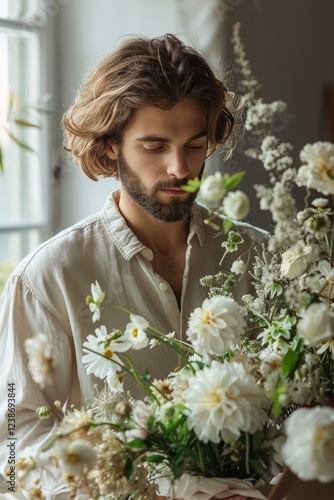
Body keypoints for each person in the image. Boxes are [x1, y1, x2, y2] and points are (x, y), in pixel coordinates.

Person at [0, 34, 264, 498]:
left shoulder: (258, 258)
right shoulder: (48, 277)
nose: (180, 169)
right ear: (109, 148)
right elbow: (12, 448)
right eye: (155, 146)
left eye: (195, 145)